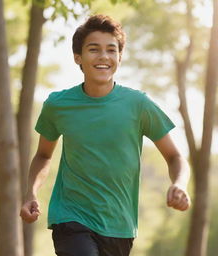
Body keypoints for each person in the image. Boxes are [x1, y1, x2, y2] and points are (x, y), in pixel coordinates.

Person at [20, 14, 191, 256]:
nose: (103, 56)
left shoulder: (138, 104)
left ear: (119, 57)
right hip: (71, 217)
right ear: (78, 57)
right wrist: (31, 193)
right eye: (94, 49)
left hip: (119, 225)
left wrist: (179, 184)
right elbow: (43, 155)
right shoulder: (58, 105)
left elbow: (175, 156)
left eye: (111, 50)